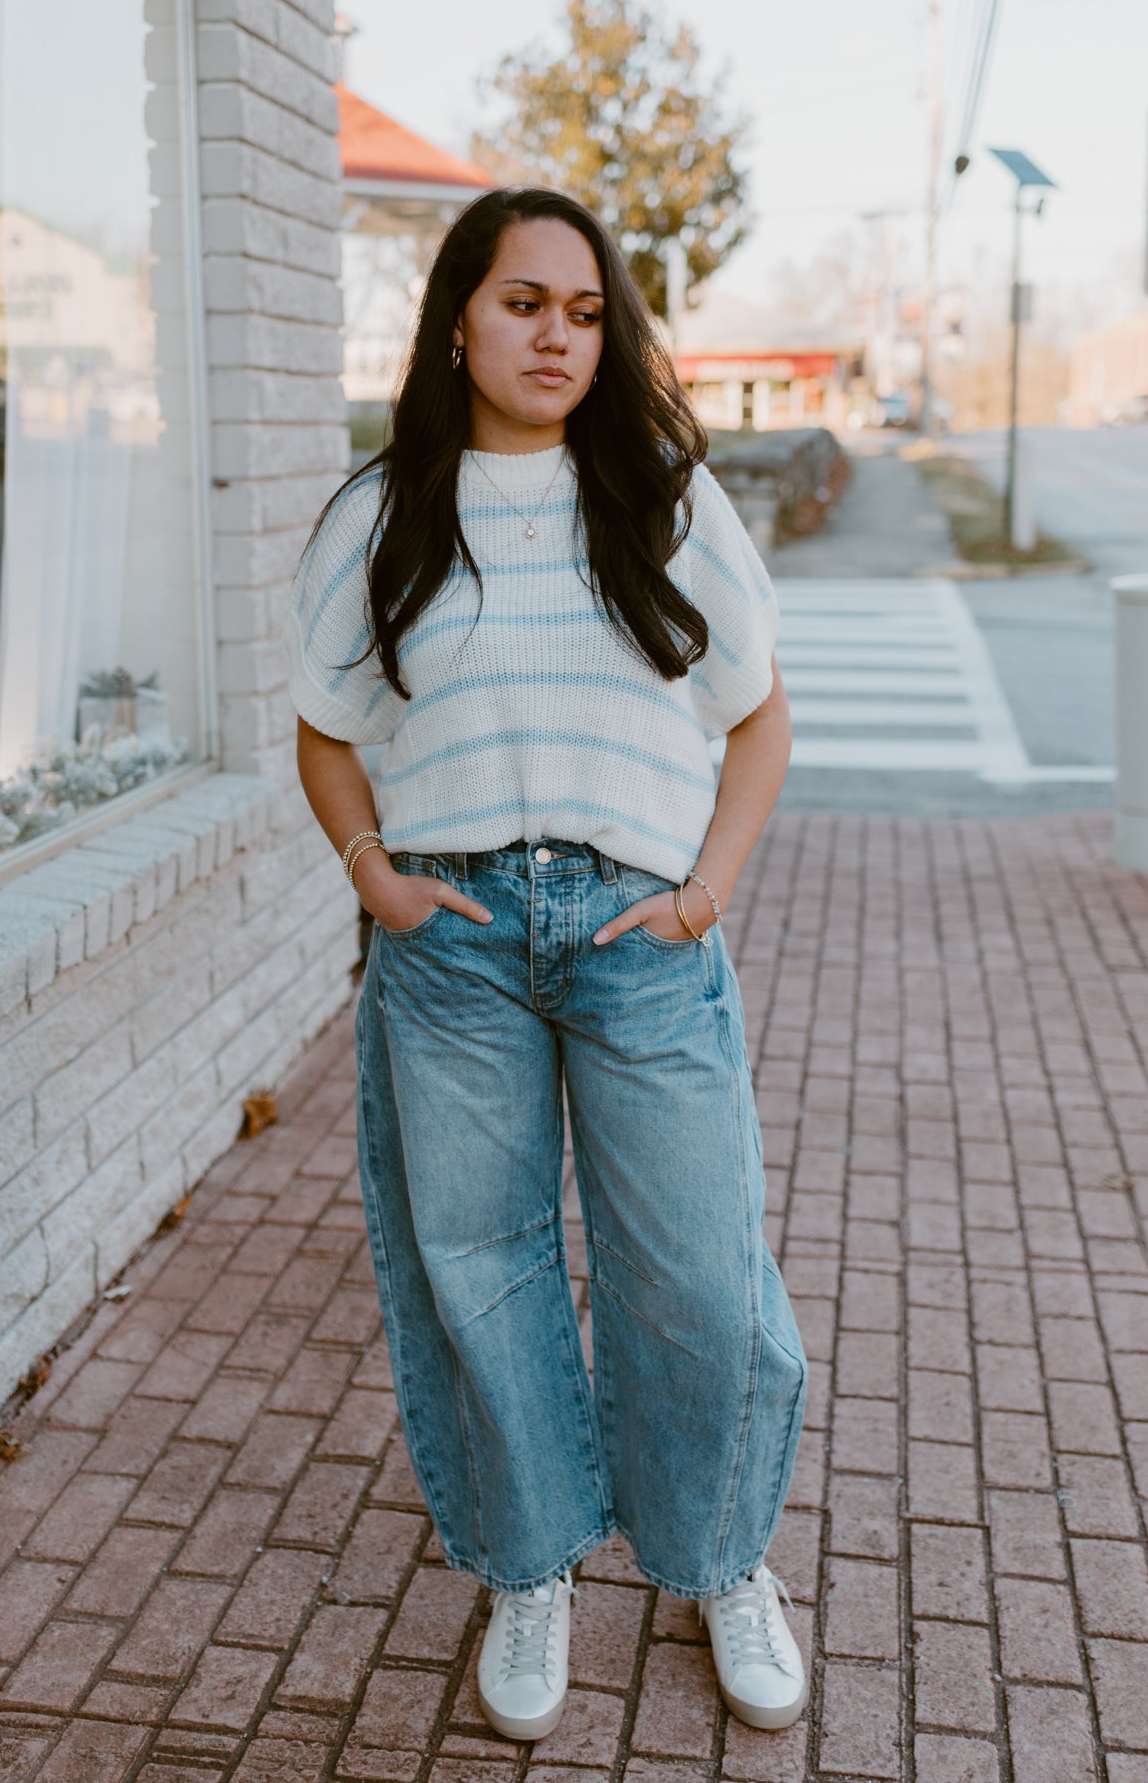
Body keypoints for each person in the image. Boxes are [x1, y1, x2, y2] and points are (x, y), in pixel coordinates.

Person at [286, 187, 808, 1742]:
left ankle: (720, 1557)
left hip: (638, 936)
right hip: (450, 946)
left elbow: (760, 714)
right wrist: (372, 875)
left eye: (584, 315)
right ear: (459, 315)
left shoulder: (660, 495)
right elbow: (325, 735)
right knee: (482, 1266)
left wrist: (705, 890)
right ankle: (529, 1568)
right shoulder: (380, 511)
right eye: (524, 304)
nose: (555, 338)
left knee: (697, 1276)